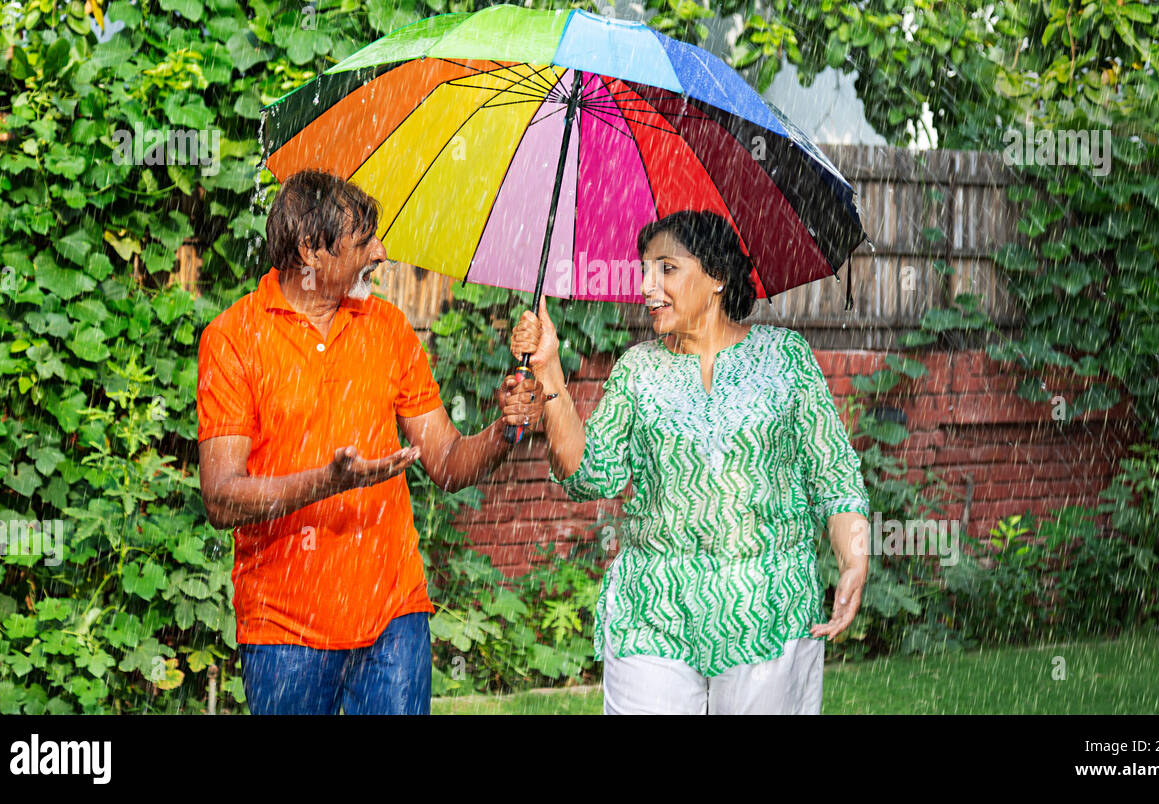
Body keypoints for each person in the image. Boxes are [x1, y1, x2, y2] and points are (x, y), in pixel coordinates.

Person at [197, 169, 544, 715]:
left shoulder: (387, 327)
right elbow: (220, 497)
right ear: (310, 250)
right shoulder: (234, 339)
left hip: (393, 617)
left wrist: (505, 429)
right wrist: (327, 483)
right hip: (284, 626)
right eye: (363, 241)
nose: (381, 253)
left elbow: (449, 464)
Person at [509, 209, 870, 715]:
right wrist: (548, 371)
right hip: (652, 609)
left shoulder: (785, 358)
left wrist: (854, 559)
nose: (646, 286)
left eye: (666, 269)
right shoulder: (638, 370)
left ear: (718, 276)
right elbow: (588, 476)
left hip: (767, 606)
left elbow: (835, 477)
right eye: (643, 270)